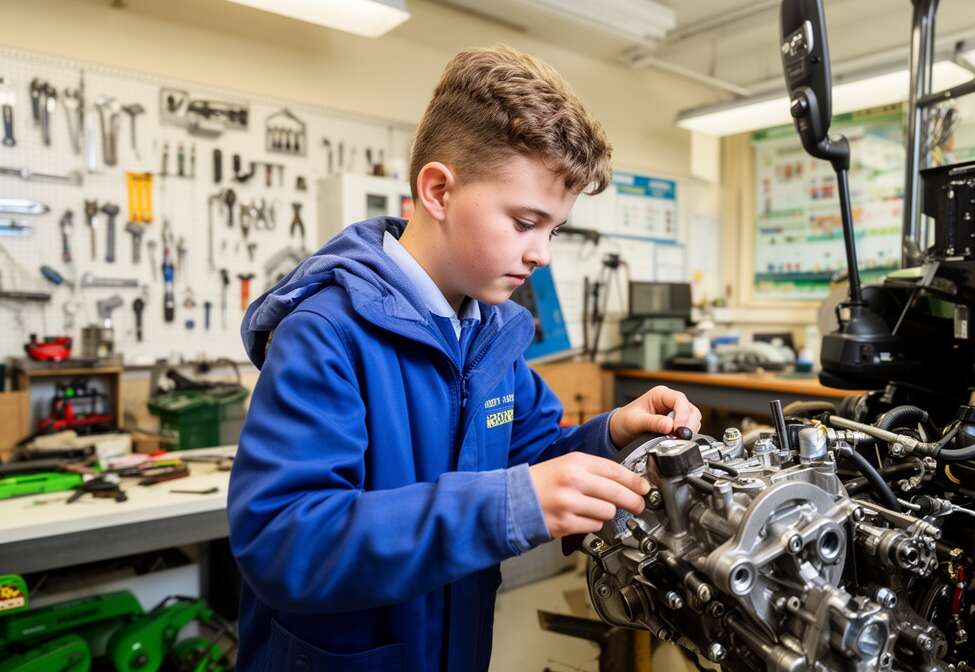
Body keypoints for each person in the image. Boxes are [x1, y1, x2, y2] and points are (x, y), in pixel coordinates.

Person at [228, 46, 701, 671]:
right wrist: (507, 506)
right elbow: (286, 540)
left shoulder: (491, 336)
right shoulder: (326, 333)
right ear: (438, 191)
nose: (542, 255)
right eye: (525, 222)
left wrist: (610, 433)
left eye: (553, 230)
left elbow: (533, 459)